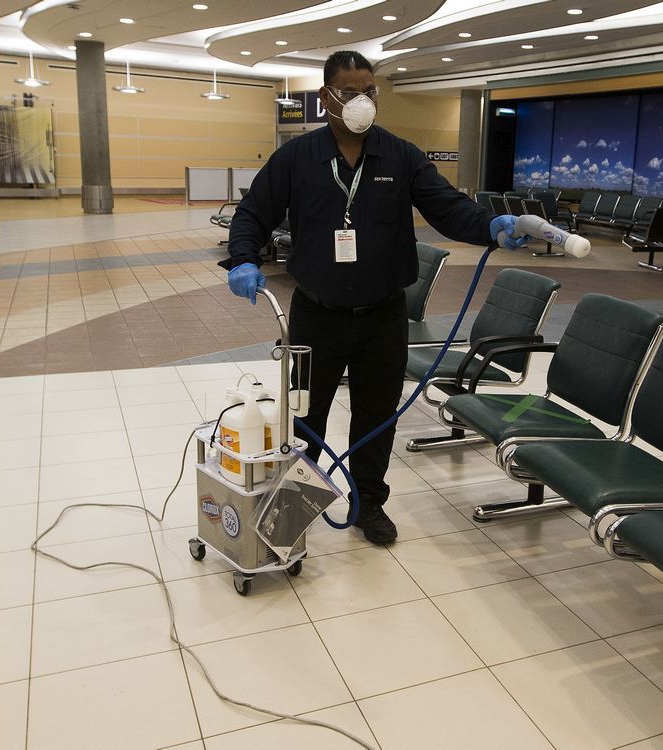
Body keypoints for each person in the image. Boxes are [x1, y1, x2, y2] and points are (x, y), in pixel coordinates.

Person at [220, 50, 527, 545]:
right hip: (316, 314)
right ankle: (292, 506)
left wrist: (490, 225)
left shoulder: (400, 155)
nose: (361, 101)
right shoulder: (297, 158)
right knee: (304, 414)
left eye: (369, 91)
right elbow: (254, 212)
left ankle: (367, 504)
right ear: (326, 98)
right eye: (349, 92)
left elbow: (446, 208)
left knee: (376, 414)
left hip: (383, 315)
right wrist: (242, 259)